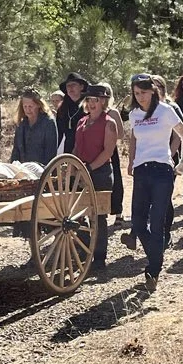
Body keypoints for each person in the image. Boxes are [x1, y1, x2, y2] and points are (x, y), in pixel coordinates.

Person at [124, 73, 183, 291]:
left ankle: (153, 271)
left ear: (152, 91)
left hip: (162, 170)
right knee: (138, 222)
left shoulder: (165, 111)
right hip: (142, 171)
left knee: (158, 220)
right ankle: (156, 254)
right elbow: (134, 138)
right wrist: (131, 162)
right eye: (136, 93)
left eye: (143, 92)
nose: (139, 97)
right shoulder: (134, 114)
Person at [71, 82, 120, 275]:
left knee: (98, 216)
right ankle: (84, 252)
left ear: (104, 102)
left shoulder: (109, 123)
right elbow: (76, 147)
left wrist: (89, 168)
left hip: (99, 172)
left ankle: (99, 258)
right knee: (78, 213)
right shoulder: (82, 121)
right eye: (89, 100)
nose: (92, 103)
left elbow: (108, 151)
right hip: (81, 170)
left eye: (96, 100)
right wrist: (73, 165)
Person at [11, 88, 59, 166]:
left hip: (42, 170)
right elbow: (16, 150)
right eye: (25, 106)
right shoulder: (21, 123)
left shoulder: (48, 122)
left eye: (30, 106)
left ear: (38, 105)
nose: (27, 110)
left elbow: (51, 152)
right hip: (22, 169)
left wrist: (44, 172)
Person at [54, 73, 87, 153]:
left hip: (85, 149)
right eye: (68, 85)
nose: (70, 88)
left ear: (81, 87)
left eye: (73, 85)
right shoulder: (62, 108)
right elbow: (58, 134)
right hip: (68, 151)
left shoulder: (89, 106)